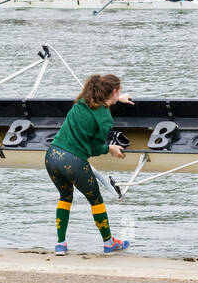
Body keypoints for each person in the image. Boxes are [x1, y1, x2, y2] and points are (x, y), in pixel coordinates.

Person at [44, 74, 134, 255]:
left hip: (52, 156)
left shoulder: (81, 101)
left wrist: (118, 100)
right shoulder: (105, 118)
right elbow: (94, 147)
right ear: (114, 92)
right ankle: (109, 243)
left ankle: (60, 244)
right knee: (96, 200)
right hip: (74, 161)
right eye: (119, 92)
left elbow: (99, 103)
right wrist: (110, 149)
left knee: (65, 196)